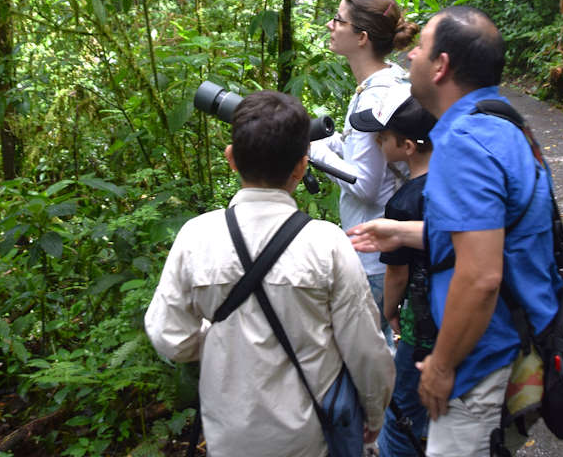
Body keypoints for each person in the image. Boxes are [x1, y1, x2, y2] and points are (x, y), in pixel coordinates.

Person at [348, 7, 560, 457]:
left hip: (482, 360)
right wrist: (405, 234)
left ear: (441, 66)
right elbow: (491, 238)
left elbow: (480, 275)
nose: (411, 58)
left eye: (421, 48)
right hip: (513, 344)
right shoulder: (502, 123)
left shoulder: (466, 143)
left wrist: (441, 367)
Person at [144, 90, 395, 457]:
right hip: (311, 434)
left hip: (229, 435)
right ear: (302, 166)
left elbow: (170, 337)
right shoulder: (327, 243)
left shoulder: (196, 237)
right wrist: (374, 415)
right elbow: (366, 350)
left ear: (231, 159)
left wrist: (222, 337)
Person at [310, 0, 420, 325]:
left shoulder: (375, 97)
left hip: (374, 255)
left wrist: (311, 151)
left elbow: (366, 183)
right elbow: (368, 160)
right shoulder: (386, 82)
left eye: (339, 20)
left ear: (361, 37)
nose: (331, 25)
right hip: (380, 248)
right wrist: (331, 145)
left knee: (370, 357)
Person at [347, 84, 438, 457]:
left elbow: (397, 274)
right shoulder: (456, 182)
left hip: (422, 322)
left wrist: (389, 311)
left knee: (401, 405)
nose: (378, 144)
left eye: (383, 138)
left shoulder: (402, 203)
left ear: (407, 147)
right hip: (458, 316)